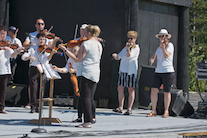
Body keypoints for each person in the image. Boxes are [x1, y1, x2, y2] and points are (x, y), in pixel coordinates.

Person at [59, 25, 103, 128]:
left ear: (88, 33)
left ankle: (87, 121)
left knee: (85, 97)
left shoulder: (86, 43)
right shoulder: (98, 44)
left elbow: (77, 59)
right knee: (88, 97)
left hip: (86, 72)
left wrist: (66, 50)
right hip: (95, 72)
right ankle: (89, 119)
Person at [21, 32, 57, 113]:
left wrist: (52, 53)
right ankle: (33, 106)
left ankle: (39, 105)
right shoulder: (32, 48)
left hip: (42, 68)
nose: (42, 41)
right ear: (37, 39)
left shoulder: (45, 48)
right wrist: (29, 57)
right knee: (33, 87)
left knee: (42, 87)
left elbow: (47, 59)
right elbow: (23, 57)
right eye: (40, 39)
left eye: (44, 39)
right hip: (34, 68)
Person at [147, 29, 175, 118]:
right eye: (160, 36)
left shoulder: (170, 45)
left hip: (168, 71)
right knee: (153, 90)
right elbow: (154, 57)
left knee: (166, 91)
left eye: (163, 36)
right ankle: (153, 110)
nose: (161, 38)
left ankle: (166, 111)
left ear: (167, 37)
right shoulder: (158, 48)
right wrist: (152, 59)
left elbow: (166, 55)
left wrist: (163, 48)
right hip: (158, 71)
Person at [112, 31, 140, 115]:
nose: (129, 40)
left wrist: (128, 48)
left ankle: (129, 108)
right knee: (120, 88)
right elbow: (119, 57)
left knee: (130, 89)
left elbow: (129, 56)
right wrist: (115, 55)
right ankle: (120, 107)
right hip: (123, 71)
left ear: (135, 39)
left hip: (130, 71)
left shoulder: (136, 48)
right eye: (128, 38)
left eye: (131, 38)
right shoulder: (125, 48)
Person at [0, 25, 25, 114]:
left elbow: (12, 55)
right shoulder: (3, 45)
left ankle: (1, 107)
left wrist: (18, 51)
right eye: (2, 34)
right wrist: (2, 48)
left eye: (5, 34)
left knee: (3, 90)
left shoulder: (8, 43)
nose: (3, 36)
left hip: (5, 69)